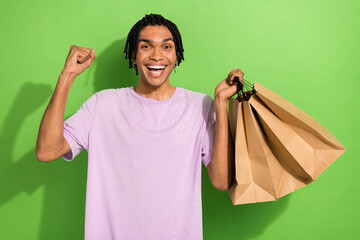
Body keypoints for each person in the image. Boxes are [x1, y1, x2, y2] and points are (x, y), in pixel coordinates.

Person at [36, 13, 244, 240]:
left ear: (176, 56)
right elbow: (47, 150)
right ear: (134, 56)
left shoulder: (198, 106)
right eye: (146, 46)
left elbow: (222, 181)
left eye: (166, 47)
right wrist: (66, 76)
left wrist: (220, 103)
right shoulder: (103, 105)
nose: (157, 56)